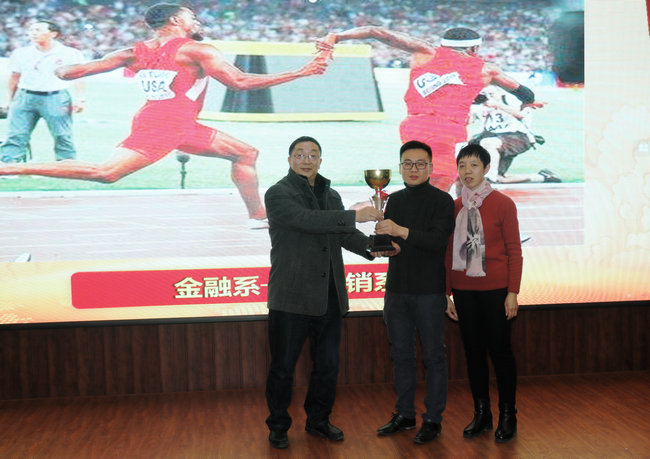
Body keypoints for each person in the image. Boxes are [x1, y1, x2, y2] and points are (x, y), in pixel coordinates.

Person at [0, 3, 329, 225]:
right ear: (175, 21)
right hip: (165, 128)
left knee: (245, 153)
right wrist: (300, 72)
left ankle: (258, 216)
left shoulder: (132, 51)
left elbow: (73, 72)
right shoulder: (197, 50)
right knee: (106, 173)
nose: (196, 22)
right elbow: (239, 82)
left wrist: (58, 68)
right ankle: (8, 168)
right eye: (191, 17)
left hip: (175, 123)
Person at [264, 135, 383, 449]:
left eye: (313, 154)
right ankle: (278, 425)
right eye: (300, 154)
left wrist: (372, 247)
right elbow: (305, 220)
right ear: (290, 160)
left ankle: (318, 420)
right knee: (283, 367)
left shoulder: (331, 195)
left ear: (320, 160)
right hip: (290, 297)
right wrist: (353, 215)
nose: (307, 159)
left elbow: (344, 234)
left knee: (328, 366)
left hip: (329, 295)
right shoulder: (278, 193)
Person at [320, 26, 540, 193]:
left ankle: (457, 224)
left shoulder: (425, 52)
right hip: (448, 130)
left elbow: (375, 31)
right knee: (445, 185)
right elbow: (525, 93)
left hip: (412, 126)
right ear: (474, 48)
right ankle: (437, 228)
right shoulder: (487, 70)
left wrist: (336, 36)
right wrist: (526, 104)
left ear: (444, 45)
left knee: (436, 178)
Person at [372, 140, 455, 444]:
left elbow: (436, 241)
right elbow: (397, 245)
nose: (413, 169)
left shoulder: (443, 201)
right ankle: (405, 414)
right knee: (401, 355)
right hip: (397, 290)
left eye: (420, 164)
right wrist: (387, 246)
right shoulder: (393, 200)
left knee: (434, 357)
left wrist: (399, 231)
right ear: (400, 167)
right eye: (407, 163)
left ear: (431, 167)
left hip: (429, 292)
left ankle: (433, 419)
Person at [445, 143, 523, 443]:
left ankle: (508, 414)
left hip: (496, 291)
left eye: (474, 165)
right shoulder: (454, 207)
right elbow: (447, 252)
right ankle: (482, 413)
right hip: (463, 291)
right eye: (462, 165)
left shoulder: (503, 204)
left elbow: (514, 251)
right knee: (473, 353)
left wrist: (512, 292)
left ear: (487, 168)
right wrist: (447, 292)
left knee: (500, 352)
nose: (467, 171)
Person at [0, 20, 86, 163]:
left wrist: (80, 99)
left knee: (62, 135)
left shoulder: (69, 53)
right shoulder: (21, 53)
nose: (33, 33)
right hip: (25, 97)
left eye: (38, 30)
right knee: (16, 135)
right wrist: (9, 100)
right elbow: (14, 78)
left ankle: (67, 166)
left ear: (53, 34)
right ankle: (9, 166)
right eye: (31, 30)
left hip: (56, 97)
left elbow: (79, 77)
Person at [466, 86, 561, 184]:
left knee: (488, 143)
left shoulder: (511, 100)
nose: (489, 97)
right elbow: (466, 121)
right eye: (485, 94)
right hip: (494, 141)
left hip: (516, 137)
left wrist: (497, 105)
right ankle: (541, 177)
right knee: (499, 178)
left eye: (491, 94)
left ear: (500, 93)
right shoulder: (480, 106)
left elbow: (520, 114)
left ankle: (490, 176)